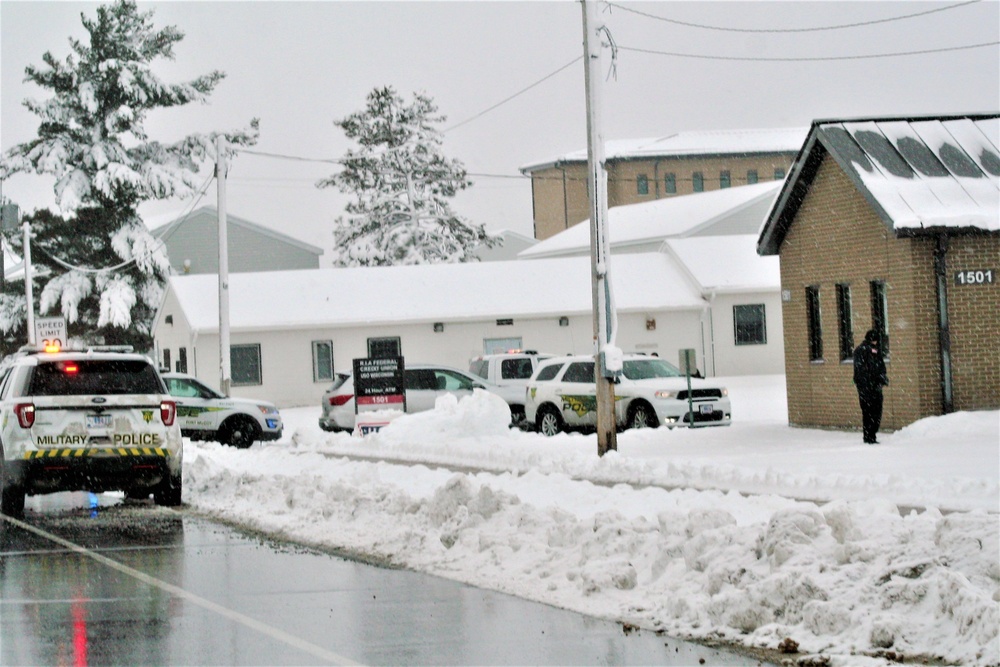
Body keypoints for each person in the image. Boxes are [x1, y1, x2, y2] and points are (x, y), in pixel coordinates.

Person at [853, 329, 889, 444]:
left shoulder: (862, 350)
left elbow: (865, 370)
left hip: (866, 387)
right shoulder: (868, 351)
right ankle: (870, 436)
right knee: (873, 412)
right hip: (870, 387)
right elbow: (875, 368)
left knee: (869, 412)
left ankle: (869, 435)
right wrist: (880, 379)